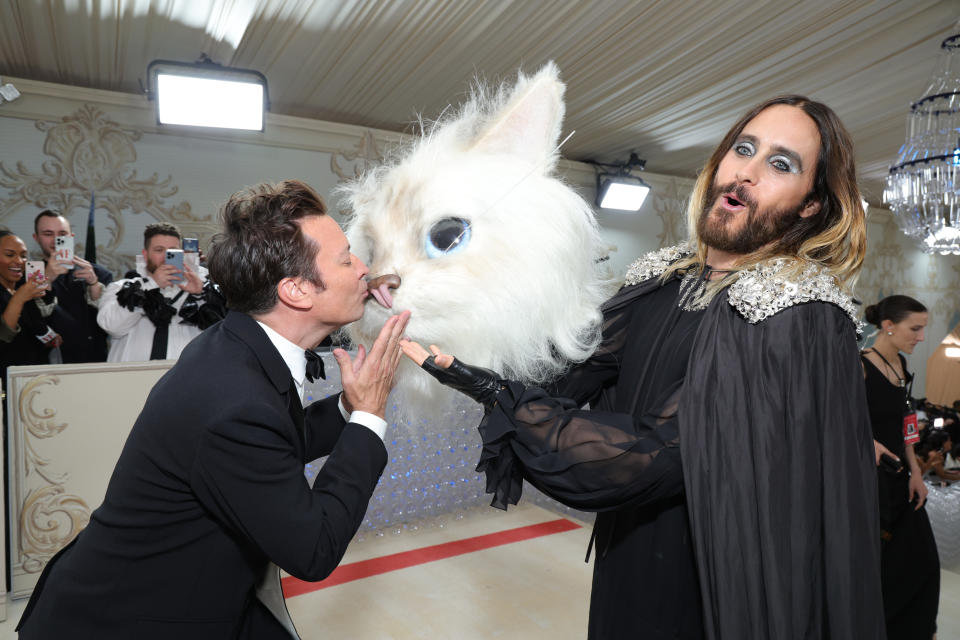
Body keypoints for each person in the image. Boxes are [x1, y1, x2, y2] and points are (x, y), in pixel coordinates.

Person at [401, 96, 884, 639]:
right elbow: (564, 371)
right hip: (631, 553)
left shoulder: (799, 310)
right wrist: (456, 305)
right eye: (743, 149)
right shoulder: (660, 278)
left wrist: (497, 394)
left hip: (721, 577)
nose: (747, 171)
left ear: (811, 205)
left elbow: (664, 453)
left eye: (780, 163)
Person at [17, 180, 410, 638]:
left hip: (198, 589)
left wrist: (346, 405)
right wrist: (368, 417)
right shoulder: (234, 399)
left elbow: (274, 444)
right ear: (297, 290)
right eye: (347, 258)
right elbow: (313, 549)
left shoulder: (240, 346)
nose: (365, 269)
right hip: (124, 619)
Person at [861, 295, 939, 639]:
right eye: (915, 328)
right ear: (888, 326)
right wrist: (865, 440)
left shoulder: (901, 368)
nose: (921, 337)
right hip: (868, 481)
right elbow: (833, 419)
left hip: (900, 478)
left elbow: (907, 424)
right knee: (883, 567)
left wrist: (917, 471)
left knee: (923, 563)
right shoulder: (860, 364)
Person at [97, 222, 224, 362]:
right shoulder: (120, 288)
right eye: (159, 250)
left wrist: (201, 295)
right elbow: (112, 327)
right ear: (145, 255)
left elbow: (220, 334)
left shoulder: (201, 289)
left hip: (185, 378)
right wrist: (152, 285)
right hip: (130, 378)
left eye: (172, 251)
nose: (165, 257)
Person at [32, 209, 113, 362]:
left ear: (71, 237)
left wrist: (94, 284)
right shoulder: (29, 275)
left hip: (94, 361)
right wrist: (47, 278)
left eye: (62, 234)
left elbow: (113, 322)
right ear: (36, 238)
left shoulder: (98, 273)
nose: (56, 240)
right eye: (48, 234)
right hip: (47, 364)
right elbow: (30, 319)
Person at [0, 230, 61, 397]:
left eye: (23, 255)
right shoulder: (20, 293)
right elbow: (3, 338)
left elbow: (32, 326)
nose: (19, 261)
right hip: (5, 387)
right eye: (10, 254)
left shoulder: (20, 288)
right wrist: (19, 299)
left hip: (30, 383)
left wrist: (46, 339)